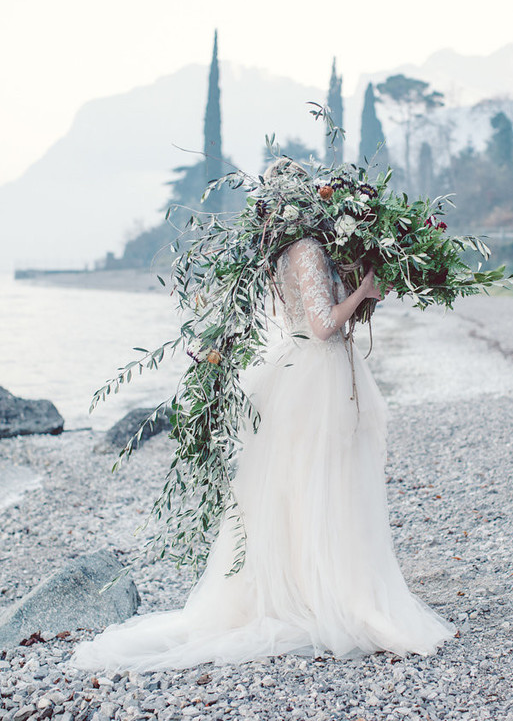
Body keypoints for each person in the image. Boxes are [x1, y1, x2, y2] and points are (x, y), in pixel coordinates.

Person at [71, 163, 456, 673]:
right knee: (326, 485)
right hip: (317, 376)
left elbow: (318, 314)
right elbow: (322, 326)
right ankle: (333, 597)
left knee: (301, 488)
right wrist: (364, 288)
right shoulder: (307, 250)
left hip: (300, 372)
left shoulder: (282, 254)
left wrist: (361, 291)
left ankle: (312, 587)